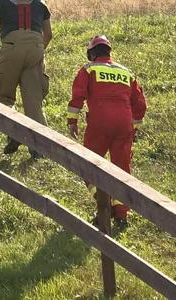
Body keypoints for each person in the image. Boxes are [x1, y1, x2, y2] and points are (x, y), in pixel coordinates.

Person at [66, 35, 147, 229]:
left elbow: (78, 96)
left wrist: (72, 121)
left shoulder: (89, 69)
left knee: (88, 165)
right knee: (122, 169)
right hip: (124, 124)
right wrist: (133, 128)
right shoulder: (126, 72)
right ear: (109, 51)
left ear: (92, 53)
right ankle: (122, 215)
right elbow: (140, 105)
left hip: (99, 124)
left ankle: (104, 202)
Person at [0, 0, 52, 159]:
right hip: (36, 48)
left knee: (2, 96)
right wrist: (37, 50)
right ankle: (40, 148)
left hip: (11, 48)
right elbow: (49, 34)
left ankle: (15, 131)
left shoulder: (1, 2)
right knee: (33, 102)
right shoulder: (39, 2)